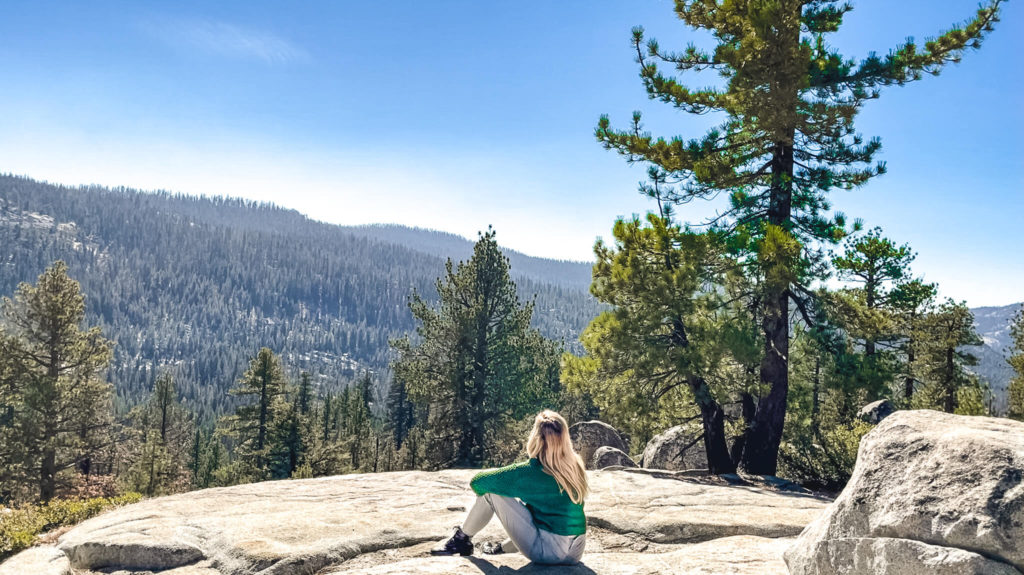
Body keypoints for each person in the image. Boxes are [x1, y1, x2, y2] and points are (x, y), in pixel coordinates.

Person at [430, 410, 589, 565]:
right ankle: (500, 549)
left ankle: (461, 540)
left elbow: (477, 482)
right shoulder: (575, 466)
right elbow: (542, 518)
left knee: (492, 494)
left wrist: (506, 486)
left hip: (548, 554)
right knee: (539, 512)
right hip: (576, 553)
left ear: (536, 439)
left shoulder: (530, 471)